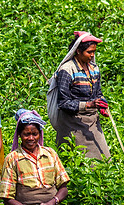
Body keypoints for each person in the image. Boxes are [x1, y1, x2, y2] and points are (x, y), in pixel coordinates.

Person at [47, 31, 111, 160]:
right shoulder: (67, 70)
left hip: (92, 121)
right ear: (78, 51)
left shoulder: (94, 68)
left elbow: (98, 92)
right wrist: (88, 104)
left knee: (104, 158)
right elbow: (63, 103)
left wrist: (101, 104)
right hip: (72, 122)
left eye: (94, 52)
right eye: (89, 52)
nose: (92, 55)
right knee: (76, 160)